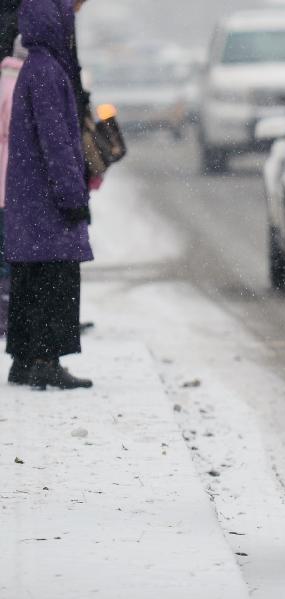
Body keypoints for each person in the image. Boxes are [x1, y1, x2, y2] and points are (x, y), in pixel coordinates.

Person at [4, 0, 92, 389]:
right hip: (48, 200)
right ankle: (45, 360)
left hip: (28, 195)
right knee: (55, 278)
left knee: (29, 275)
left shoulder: (31, 69)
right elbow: (58, 143)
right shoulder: (49, 72)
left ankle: (24, 359)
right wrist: (73, 197)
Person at [0, 34, 25, 336]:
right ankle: (5, 316)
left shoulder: (3, 79)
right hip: (10, 181)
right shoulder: (22, 84)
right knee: (8, 253)